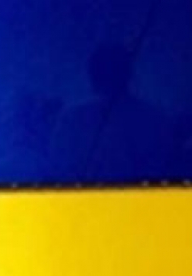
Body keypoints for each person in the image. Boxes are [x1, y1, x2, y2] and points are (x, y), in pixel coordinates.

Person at [49, 43, 169, 183]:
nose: (110, 75)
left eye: (114, 69)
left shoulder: (71, 119)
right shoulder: (153, 118)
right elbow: (59, 171)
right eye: (106, 70)